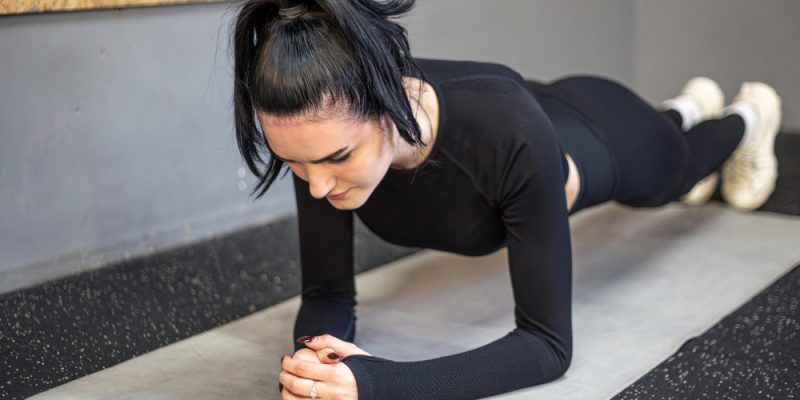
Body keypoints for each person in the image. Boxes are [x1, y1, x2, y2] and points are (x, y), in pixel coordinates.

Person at [229, 0, 783, 398]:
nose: (316, 186)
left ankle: (747, 117)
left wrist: (379, 384)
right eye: (294, 163)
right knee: (665, 131)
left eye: (334, 159)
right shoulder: (321, 131)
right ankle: (683, 106)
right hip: (543, 110)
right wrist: (314, 362)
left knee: (675, 176)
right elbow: (327, 292)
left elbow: (547, 347)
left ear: (388, 101)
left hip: (604, 133)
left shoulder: (503, 132)